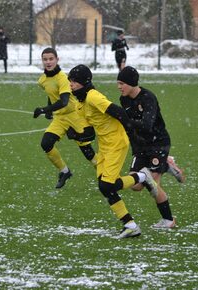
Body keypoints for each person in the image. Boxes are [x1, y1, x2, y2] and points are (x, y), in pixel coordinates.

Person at [67, 64, 158, 239]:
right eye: (70, 81)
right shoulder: (80, 102)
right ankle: (130, 225)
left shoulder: (93, 97)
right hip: (105, 145)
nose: (71, 84)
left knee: (106, 186)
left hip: (116, 142)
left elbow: (118, 113)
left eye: (75, 81)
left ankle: (142, 177)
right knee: (105, 186)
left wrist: (132, 132)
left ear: (84, 82)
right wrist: (74, 133)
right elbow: (90, 132)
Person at [116, 66, 185, 228]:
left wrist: (124, 120)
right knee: (135, 185)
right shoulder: (124, 100)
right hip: (140, 146)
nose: (119, 87)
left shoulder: (148, 98)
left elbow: (146, 125)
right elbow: (130, 127)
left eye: (122, 83)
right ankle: (166, 165)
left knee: (152, 185)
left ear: (132, 83)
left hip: (158, 143)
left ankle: (168, 220)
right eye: (118, 83)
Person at [33, 48, 98, 189]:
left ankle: (105, 175)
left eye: (51, 59)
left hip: (74, 115)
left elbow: (63, 101)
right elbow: (51, 94)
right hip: (60, 118)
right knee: (46, 144)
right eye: (45, 59)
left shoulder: (63, 78)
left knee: (87, 151)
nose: (48, 62)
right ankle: (64, 171)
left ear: (57, 59)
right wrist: (50, 109)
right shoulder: (42, 80)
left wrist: (44, 109)